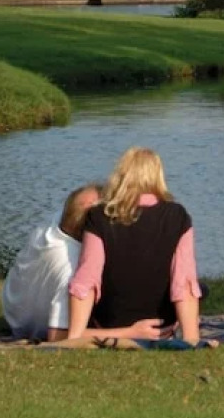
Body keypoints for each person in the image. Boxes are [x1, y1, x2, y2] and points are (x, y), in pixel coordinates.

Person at [67, 147, 201, 346]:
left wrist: (75, 334)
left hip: (108, 323)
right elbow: (183, 282)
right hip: (160, 328)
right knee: (198, 288)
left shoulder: (99, 217)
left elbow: (87, 279)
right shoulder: (177, 217)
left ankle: (89, 333)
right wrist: (191, 338)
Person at [1, 184, 163, 342]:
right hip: (29, 326)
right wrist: (131, 333)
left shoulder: (55, 223)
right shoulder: (73, 271)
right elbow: (59, 336)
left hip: (13, 308)